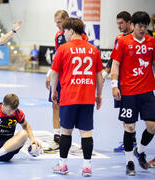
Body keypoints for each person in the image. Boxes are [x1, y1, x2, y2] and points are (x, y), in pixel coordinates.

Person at [51, 18, 103, 177]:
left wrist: (54, 91)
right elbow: (99, 76)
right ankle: (87, 167)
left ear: (71, 31)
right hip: (87, 98)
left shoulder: (64, 49)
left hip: (69, 98)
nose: (63, 34)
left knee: (66, 132)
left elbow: (54, 73)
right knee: (86, 134)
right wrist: (99, 95)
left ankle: (63, 165)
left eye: (65, 31)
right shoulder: (94, 50)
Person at [110, 11, 155, 176]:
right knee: (129, 127)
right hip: (128, 91)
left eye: (145, 26)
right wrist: (115, 85)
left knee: (152, 126)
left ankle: (140, 151)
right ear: (133, 26)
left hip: (147, 90)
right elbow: (115, 65)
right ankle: (129, 161)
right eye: (140, 26)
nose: (143, 29)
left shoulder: (152, 42)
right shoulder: (123, 41)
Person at [102, 11, 137, 153]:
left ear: (129, 22)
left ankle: (132, 140)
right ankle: (130, 140)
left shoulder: (139, 37)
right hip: (122, 81)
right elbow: (114, 58)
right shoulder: (119, 38)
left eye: (121, 23)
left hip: (135, 81)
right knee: (125, 113)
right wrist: (105, 73)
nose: (119, 26)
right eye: (117, 23)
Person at [44, 10, 69, 153]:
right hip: (58, 75)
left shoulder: (78, 33)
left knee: (68, 107)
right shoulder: (58, 35)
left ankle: (67, 137)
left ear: (66, 19)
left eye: (59, 22)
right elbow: (57, 57)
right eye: (56, 23)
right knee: (55, 105)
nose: (57, 26)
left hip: (70, 76)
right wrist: (50, 73)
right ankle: (57, 139)